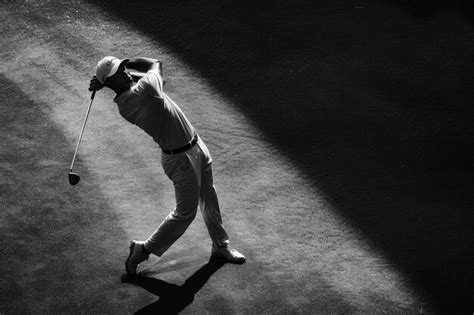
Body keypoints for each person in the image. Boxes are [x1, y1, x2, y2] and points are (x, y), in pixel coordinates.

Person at [89, 56, 245, 276]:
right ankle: (142, 250)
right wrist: (132, 61)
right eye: (119, 70)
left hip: (195, 145)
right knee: (185, 213)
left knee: (209, 196)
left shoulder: (131, 95)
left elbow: (135, 80)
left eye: (123, 66)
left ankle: (220, 245)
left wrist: (107, 82)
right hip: (181, 160)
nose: (125, 70)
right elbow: (155, 65)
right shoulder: (141, 92)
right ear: (110, 81)